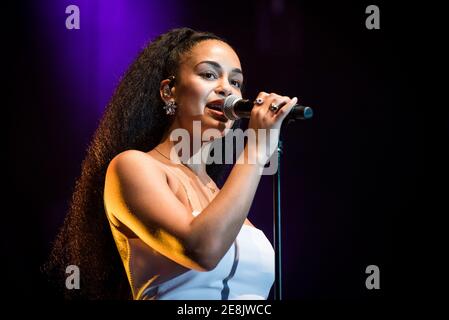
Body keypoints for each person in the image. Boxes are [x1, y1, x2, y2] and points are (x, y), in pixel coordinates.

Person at [44, 27, 297, 300]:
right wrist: (257, 148)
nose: (227, 89)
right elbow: (202, 250)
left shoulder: (218, 193)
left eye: (236, 82)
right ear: (169, 91)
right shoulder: (132, 167)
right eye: (209, 75)